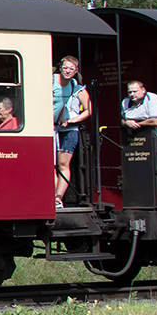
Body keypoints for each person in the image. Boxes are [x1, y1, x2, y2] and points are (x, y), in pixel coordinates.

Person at [53, 55, 92, 209]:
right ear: (60, 68)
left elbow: (88, 110)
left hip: (69, 129)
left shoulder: (77, 87)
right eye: (65, 68)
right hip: (52, 127)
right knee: (51, 163)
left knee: (63, 164)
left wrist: (72, 120)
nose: (68, 71)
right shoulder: (51, 81)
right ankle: (51, 195)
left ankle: (58, 198)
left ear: (76, 71)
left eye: (71, 69)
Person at [122, 80, 157, 151]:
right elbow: (122, 120)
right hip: (135, 142)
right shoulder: (126, 102)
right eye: (130, 92)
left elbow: (155, 121)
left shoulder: (152, 99)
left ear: (143, 90)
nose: (132, 94)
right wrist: (126, 123)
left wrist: (134, 125)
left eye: (135, 91)